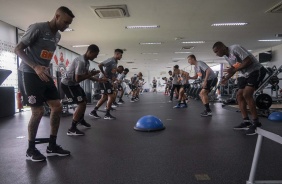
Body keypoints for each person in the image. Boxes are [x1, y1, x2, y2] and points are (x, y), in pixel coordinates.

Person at [15, 6, 74, 162]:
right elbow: (18, 49)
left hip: (44, 74)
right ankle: (30, 149)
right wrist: (35, 67)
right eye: (65, 22)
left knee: (57, 106)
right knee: (38, 111)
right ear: (57, 16)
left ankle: (52, 145)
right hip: (29, 73)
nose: (66, 26)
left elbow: (45, 56)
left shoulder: (57, 37)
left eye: (69, 24)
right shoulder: (37, 28)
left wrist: (43, 68)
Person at [212, 41, 266, 135]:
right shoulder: (226, 56)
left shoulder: (235, 48)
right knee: (239, 96)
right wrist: (226, 78)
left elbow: (248, 60)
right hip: (244, 74)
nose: (216, 54)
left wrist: (234, 69)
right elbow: (234, 68)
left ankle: (256, 123)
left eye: (217, 51)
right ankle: (246, 122)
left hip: (256, 71)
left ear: (222, 47)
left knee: (246, 94)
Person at [61, 44, 101, 136]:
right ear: (90, 52)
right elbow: (78, 79)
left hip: (74, 84)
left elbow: (87, 76)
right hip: (68, 85)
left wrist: (98, 79)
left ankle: (81, 120)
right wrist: (91, 74)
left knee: (85, 100)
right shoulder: (81, 61)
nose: (96, 56)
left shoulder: (87, 62)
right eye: (95, 54)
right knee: (81, 104)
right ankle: (72, 128)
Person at [89, 49, 124, 120]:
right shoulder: (111, 60)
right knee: (111, 96)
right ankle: (107, 114)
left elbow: (111, 72)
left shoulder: (115, 62)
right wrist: (104, 73)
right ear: (117, 54)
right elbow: (100, 65)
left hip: (107, 80)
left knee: (105, 97)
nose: (121, 56)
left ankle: (94, 111)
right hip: (103, 80)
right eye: (121, 55)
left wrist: (113, 80)